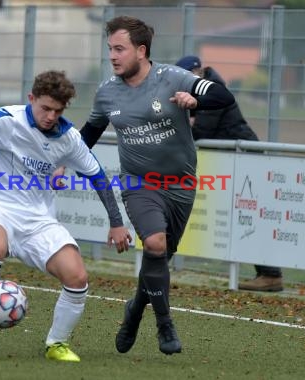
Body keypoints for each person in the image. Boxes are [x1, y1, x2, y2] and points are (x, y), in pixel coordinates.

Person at [0, 70, 132, 363]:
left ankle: (56, 344)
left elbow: (98, 177)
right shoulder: (8, 120)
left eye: (57, 110)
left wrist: (116, 223)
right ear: (31, 99)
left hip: (39, 221)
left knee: (78, 277)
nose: (51, 116)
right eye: (45, 108)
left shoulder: (68, 139)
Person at [79, 16, 235, 355]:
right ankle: (165, 324)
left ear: (141, 50)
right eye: (110, 49)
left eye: (119, 49)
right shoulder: (106, 93)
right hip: (138, 183)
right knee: (154, 242)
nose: (113, 56)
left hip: (180, 186)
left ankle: (135, 309)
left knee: (158, 258)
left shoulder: (173, 78)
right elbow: (87, 135)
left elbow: (223, 96)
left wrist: (196, 101)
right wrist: (62, 158)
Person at [175, 55, 283, 292]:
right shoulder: (206, 89)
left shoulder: (213, 92)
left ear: (197, 72)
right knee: (247, 214)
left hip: (246, 159)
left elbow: (202, 130)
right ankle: (267, 273)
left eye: (186, 76)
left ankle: (270, 274)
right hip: (236, 159)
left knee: (252, 214)